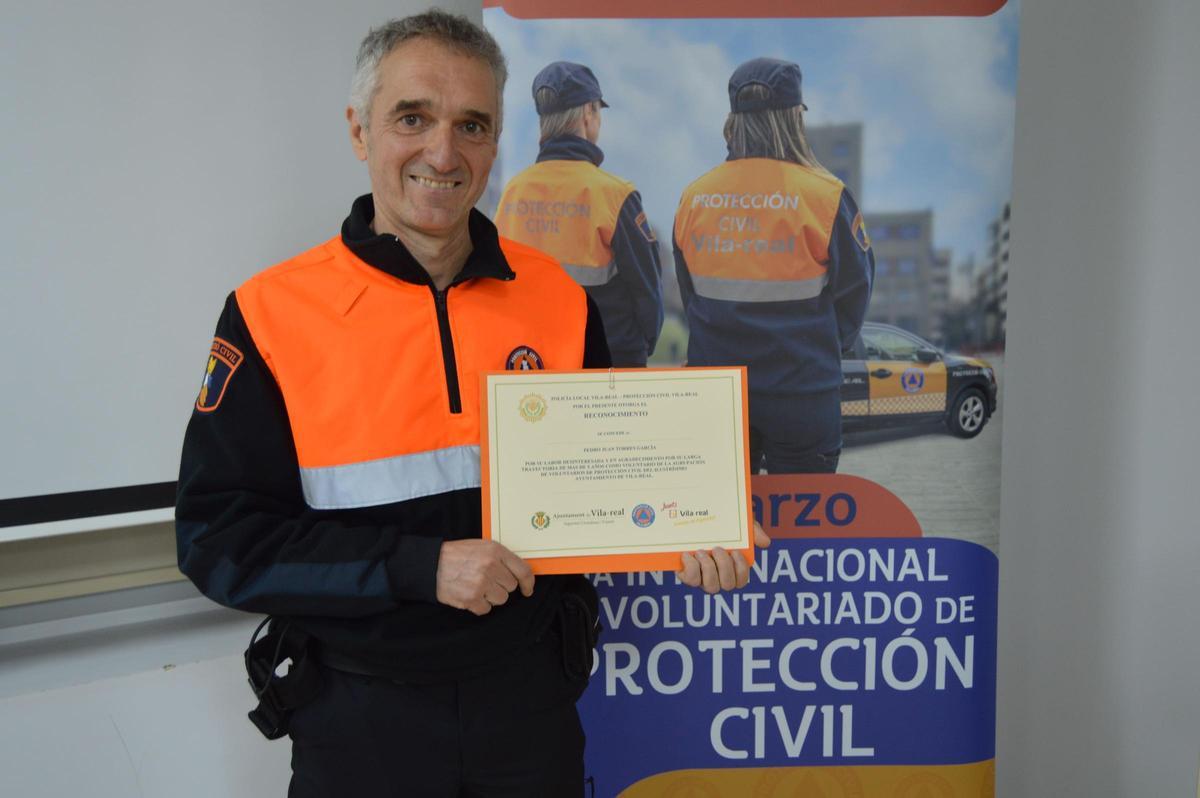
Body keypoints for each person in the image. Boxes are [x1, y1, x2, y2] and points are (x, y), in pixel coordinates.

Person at [176, 12, 766, 797]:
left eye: (472, 125)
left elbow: (608, 483)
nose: (442, 153)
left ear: (495, 143)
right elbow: (219, 539)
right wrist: (421, 569)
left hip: (528, 710)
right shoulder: (270, 313)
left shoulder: (554, 298)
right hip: (357, 719)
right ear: (360, 130)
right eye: (412, 118)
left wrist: (700, 523)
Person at [673, 57, 874, 474]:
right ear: (793, 118)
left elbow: (690, 294)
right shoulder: (826, 195)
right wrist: (820, 347)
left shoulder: (695, 197)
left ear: (734, 121)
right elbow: (855, 292)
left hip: (718, 396)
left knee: (725, 535)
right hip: (803, 395)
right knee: (805, 533)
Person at [495, 61, 663, 367]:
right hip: (607, 365)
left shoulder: (514, 192)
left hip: (533, 361)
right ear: (589, 113)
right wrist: (645, 345)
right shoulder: (614, 195)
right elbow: (647, 291)